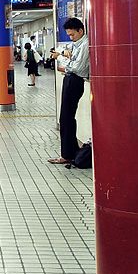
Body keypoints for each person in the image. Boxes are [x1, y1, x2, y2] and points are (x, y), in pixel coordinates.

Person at [48, 18, 90, 165]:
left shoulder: (85, 45)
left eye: (73, 35)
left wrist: (61, 58)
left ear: (81, 30)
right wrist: (65, 57)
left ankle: (67, 155)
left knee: (66, 117)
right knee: (66, 118)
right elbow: (72, 63)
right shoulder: (76, 45)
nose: (71, 37)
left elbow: (77, 67)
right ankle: (70, 152)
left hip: (75, 81)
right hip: (70, 79)